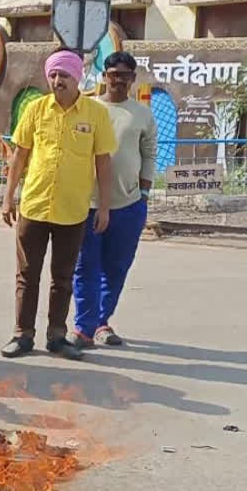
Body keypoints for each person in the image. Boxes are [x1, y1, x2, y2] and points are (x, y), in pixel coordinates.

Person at [0, 49, 118, 362]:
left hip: (73, 210)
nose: (56, 80)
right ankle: (22, 335)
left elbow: (104, 164)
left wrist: (104, 207)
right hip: (34, 206)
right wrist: (8, 196)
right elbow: (20, 156)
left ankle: (56, 336)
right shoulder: (36, 109)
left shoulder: (96, 114)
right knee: (27, 275)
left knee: (63, 278)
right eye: (52, 75)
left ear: (77, 77)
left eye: (63, 75)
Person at [71, 52, 155, 349]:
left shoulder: (142, 113)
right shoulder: (88, 108)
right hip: (87, 203)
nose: (118, 79)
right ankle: (83, 327)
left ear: (133, 78)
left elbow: (149, 154)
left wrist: (143, 195)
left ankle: (101, 321)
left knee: (116, 267)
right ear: (104, 76)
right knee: (85, 266)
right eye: (113, 74)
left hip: (128, 205)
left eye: (125, 75)